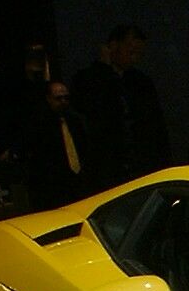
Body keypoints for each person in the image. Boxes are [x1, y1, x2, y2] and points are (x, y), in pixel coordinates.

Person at [72, 25, 170, 188]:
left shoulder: (141, 82)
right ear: (113, 46)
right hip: (106, 167)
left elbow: (156, 126)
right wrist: (103, 67)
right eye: (131, 52)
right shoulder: (89, 78)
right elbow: (91, 106)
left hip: (139, 165)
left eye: (139, 54)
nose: (134, 58)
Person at [21, 80, 95, 210]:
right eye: (58, 98)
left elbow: (84, 147)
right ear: (49, 99)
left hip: (77, 182)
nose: (63, 102)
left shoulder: (75, 121)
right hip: (52, 183)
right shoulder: (39, 124)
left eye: (66, 98)